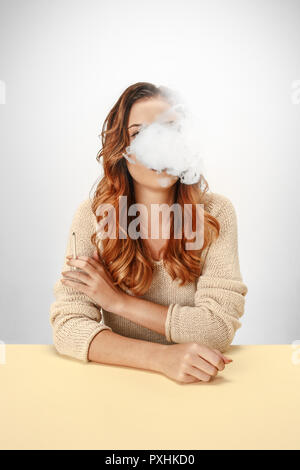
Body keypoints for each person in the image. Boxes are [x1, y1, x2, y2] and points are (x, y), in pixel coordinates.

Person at [50, 82, 248, 384]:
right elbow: (68, 325)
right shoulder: (93, 217)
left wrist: (117, 302)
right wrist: (160, 358)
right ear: (121, 151)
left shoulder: (214, 215)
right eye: (139, 133)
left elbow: (216, 329)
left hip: (200, 388)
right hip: (115, 385)